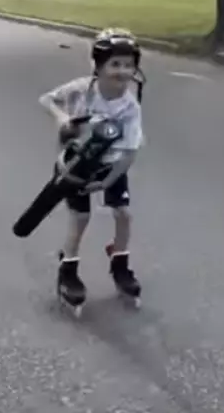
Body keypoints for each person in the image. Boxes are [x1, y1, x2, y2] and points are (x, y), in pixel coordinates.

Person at [37, 28, 145, 307]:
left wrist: (108, 182)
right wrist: (61, 118)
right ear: (98, 66)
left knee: (124, 214)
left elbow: (131, 151)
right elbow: (46, 99)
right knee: (80, 218)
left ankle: (120, 263)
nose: (122, 71)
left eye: (129, 65)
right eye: (115, 64)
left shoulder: (130, 106)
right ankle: (68, 269)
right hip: (75, 165)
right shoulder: (81, 89)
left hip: (111, 165)